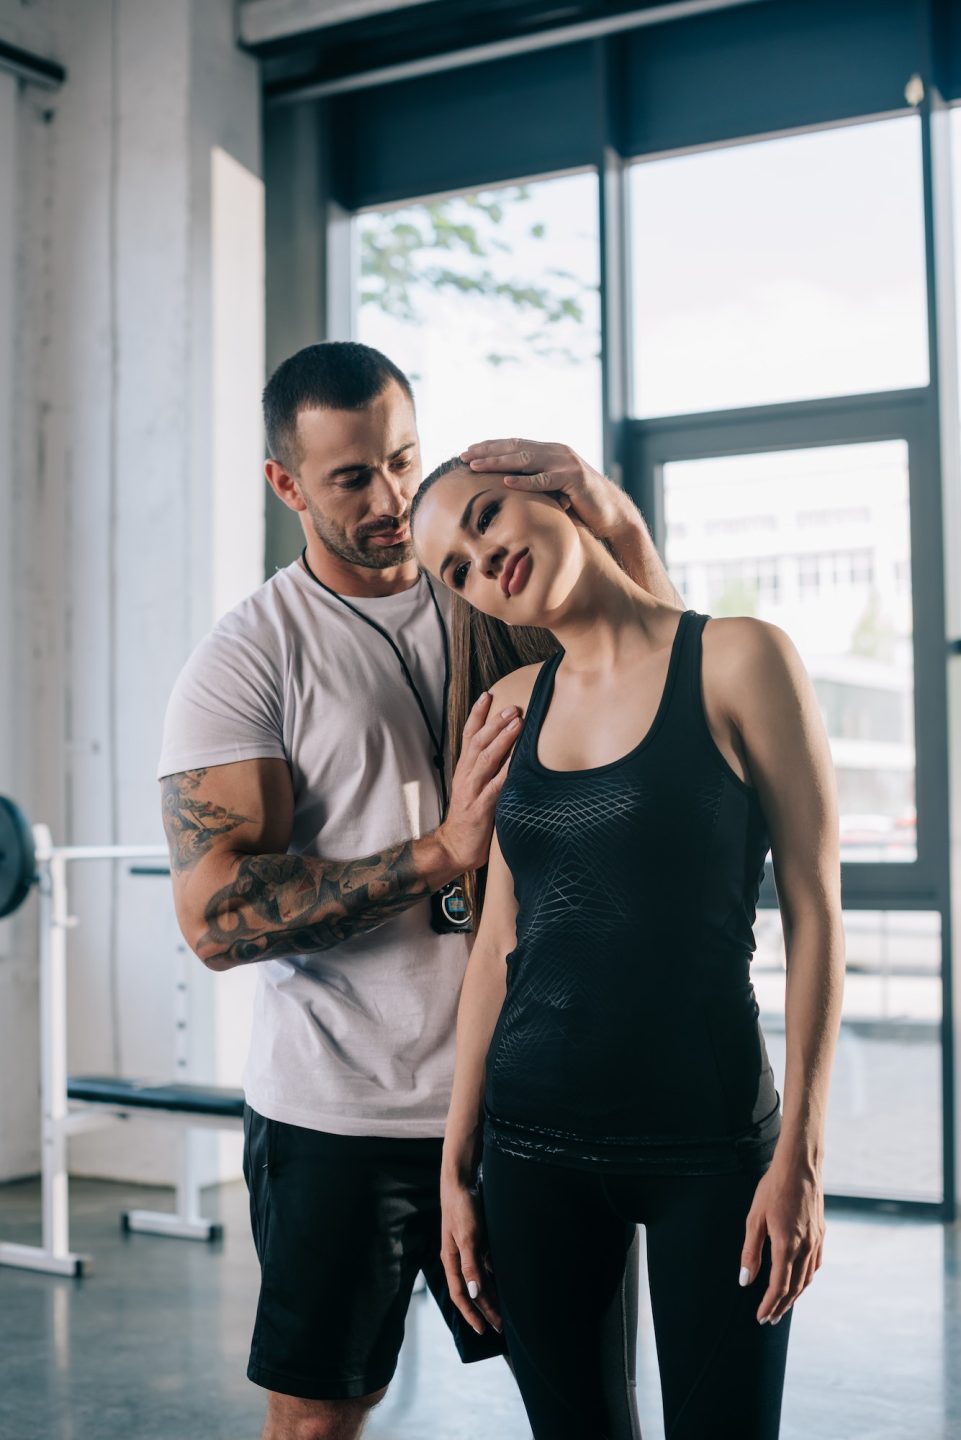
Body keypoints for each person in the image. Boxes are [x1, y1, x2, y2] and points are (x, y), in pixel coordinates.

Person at [157, 341, 678, 1440]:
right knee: (317, 1420)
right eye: (352, 477)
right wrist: (441, 853)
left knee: (588, 1412)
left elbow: (659, 679)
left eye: (404, 460)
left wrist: (611, 513)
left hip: (529, 1099)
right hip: (341, 1115)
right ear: (285, 485)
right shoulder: (249, 655)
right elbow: (211, 918)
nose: (392, 499)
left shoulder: (495, 593)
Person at [410, 457, 846, 1440]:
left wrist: (804, 1161)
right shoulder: (515, 701)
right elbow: (497, 944)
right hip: (530, 1150)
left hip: (710, 1150)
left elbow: (815, 911)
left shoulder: (740, 659)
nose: (487, 560)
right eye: (459, 567)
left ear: (557, 496)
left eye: (487, 519)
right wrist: (455, 1160)